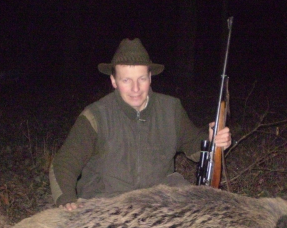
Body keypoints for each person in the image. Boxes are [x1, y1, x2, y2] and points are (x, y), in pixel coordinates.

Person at [50, 38, 231, 210]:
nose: (135, 88)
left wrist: (213, 139)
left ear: (150, 78)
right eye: (126, 80)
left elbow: (194, 145)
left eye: (141, 79)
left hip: (160, 201)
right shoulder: (95, 116)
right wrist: (66, 199)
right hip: (107, 204)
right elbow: (64, 163)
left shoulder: (171, 109)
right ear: (114, 81)